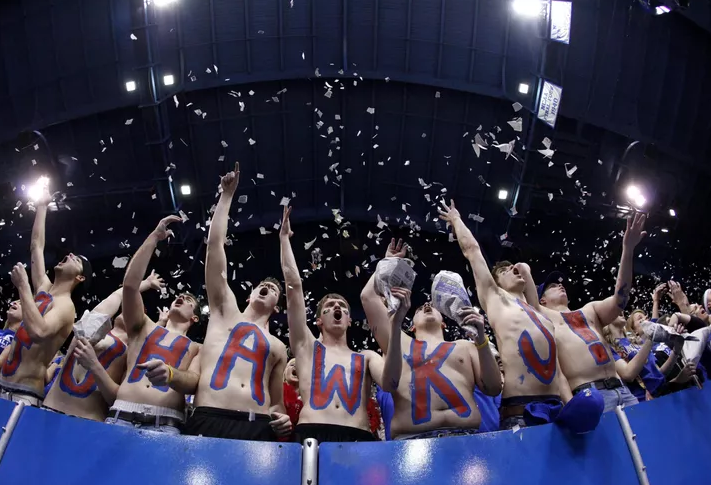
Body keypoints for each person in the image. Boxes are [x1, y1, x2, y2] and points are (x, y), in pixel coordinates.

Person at [438, 200, 571, 430]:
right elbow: (473, 251)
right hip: (521, 412)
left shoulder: (540, 315)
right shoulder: (496, 298)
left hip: (556, 408)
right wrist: (456, 220)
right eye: (504, 270)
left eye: (513, 267)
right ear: (496, 282)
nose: (512, 269)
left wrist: (571, 408)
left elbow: (559, 372)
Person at [184, 163, 290, 441]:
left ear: (276, 307)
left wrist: (281, 418)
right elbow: (214, 247)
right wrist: (226, 196)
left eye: (273, 290)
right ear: (250, 294)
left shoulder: (279, 347)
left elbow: (277, 402)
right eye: (262, 286)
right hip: (209, 416)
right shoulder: (224, 311)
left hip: (257, 424)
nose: (267, 287)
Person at [361, 239, 502, 439]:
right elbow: (368, 297)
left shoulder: (466, 346)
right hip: (413, 443)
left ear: (444, 322)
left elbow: (493, 387)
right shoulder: (398, 341)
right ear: (412, 325)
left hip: (466, 437)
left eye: (431, 307)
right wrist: (387, 263)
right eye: (419, 309)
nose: (427, 306)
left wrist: (481, 339)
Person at [521, 212, 648, 412]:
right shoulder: (544, 317)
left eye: (560, 284)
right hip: (590, 395)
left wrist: (628, 249)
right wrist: (525, 271)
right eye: (552, 286)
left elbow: (620, 299)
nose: (560, 286)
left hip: (622, 390)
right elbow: (530, 304)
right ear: (542, 298)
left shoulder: (590, 310)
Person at [280, 205, 382, 443]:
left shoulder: (365, 358)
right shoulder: (306, 347)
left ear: (349, 320)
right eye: (330, 305)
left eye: (343, 307)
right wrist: (284, 239)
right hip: (311, 434)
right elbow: (294, 288)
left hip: (358, 436)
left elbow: (391, 380)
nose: (337, 307)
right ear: (318, 320)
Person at [98, 217, 200, 434]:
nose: (181, 298)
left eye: (189, 301)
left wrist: (171, 375)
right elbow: (130, 286)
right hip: (121, 414)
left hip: (167, 423)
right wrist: (155, 237)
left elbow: (193, 382)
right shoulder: (144, 325)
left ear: (195, 318)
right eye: (179, 297)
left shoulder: (197, 348)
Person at [0, 180, 91, 406]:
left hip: (23, 396)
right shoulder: (44, 288)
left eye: (75, 260)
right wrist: (42, 206)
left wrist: (23, 287)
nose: (68, 256)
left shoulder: (66, 306)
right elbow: (36, 246)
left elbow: (39, 330)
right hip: (0, 383)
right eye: (69, 255)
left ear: (80, 277)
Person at [41, 272, 163, 421]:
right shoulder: (90, 325)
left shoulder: (134, 353)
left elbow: (118, 401)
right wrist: (146, 283)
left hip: (86, 423)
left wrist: (94, 365)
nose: (127, 308)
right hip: (47, 412)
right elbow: (117, 296)